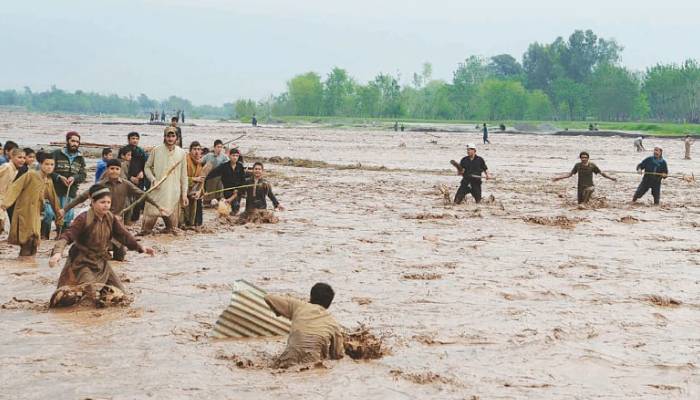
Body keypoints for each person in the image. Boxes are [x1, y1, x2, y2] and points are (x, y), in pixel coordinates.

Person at [48, 184, 156, 308]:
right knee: (90, 294)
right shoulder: (83, 219)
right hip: (82, 262)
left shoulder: (110, 218)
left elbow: (124, 235)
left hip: (101, 261)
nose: (106, 205)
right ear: (93, 202)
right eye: (102, 202)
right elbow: (67, 236)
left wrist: (141, 248)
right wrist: (57, 253)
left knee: (122, 296)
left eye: (108, 202)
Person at [63, 159, 166, 260]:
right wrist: (65, 210)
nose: (114, 171)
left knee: (120, 255)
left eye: (117, 169)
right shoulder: (100, 185)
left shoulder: (126, 184)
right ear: (107, 170)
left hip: (117, 221)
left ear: (120, 170)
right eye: (112, 168)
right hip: (100, 221)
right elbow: (82, 197)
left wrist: (158, 206)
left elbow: (142, 195)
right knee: (98, 249)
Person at [264, 283, 344, 368]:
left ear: (311, 296)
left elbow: (268, 297)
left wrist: (280, 313)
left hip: (288, 359)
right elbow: (337, 355)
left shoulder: (298, 306)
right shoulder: (333, 323)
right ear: (329, 303)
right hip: (313, 363)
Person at [1, 152, 63, 258]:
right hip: (24, 212)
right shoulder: (31, 175)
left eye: (52, 165)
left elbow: (54, 199)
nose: (49, 167)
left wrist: (59, 214)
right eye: (46, 164)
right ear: (40, 164)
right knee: (26, 240)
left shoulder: (48, 181)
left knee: (34, 240)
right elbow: (15, 187)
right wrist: (5, 204)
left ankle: (28, 265)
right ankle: (23, 263)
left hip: (36, 213)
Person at [141, 127, 189, 235]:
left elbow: (184, 175)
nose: (170, 138)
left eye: (173, 136)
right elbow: (147, 167)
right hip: (157, 189)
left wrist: (184, 194)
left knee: (171, 231)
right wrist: (153, 180)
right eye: (168, 136)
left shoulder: (182, 153)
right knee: (146, 229)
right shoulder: (156, 150)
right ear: (164, 137)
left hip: (173, 192)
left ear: (177, 138)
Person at [43, 131, 86, 237]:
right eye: (72, 141)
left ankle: (61, 235)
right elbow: (48, 170)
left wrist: (74, 178)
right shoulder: (57, 153)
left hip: (70, 190)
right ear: (67, 141)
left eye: (77, 142)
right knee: (49, 213)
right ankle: (44, 235)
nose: (75, 144)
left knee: (67, 214)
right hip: (54, 189)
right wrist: (59, 177)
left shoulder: (80, 158)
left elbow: (83, 174)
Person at [552, 151, 617, 204]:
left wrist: (611, 178)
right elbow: (570, 174)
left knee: (589, 192)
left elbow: (601, 173)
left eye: (585, 157)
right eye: (582, 157)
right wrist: (558, 178)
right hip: (580, 187)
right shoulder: (577, 165)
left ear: (588, 158)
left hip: (589, 185)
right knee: (580, 203)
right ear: (580, 158)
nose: (584, 159)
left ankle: (587, 203)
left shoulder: (592, 165)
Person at [205, 148, 246, 214]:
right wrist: (205, 179)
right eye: (233, 155)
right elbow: (213, 173)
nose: (235, 157)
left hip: (237, 191)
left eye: (237, 156)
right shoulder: (224, 166)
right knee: (226, 209)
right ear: (229, 156)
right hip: (227, 191)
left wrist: (239, 189)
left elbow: (243, 180)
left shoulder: (240, 166)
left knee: (236, 207)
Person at [122, 132, 149, 222]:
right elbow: (120, 166)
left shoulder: (141, 151)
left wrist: (142, 173)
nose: (135, 140)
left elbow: (146, 165)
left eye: (137, 139)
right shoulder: (124, 150)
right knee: (126, 200)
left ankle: (134, 220)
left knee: (138, 199)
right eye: (133, 138)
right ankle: (126, 219)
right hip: (127, 178)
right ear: (128, 139)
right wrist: (130, 178)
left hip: (139, 179)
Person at [0, 148, 26, 231]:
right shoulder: (7, 167)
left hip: (4, 199)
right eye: (19, 157)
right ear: (12, 157)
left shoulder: (15, 170)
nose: (22, 160)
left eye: (24, 158)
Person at [202, 139, 230, 204]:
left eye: (221, 147)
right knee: (208, 197)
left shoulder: (224, 156)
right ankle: (208, 200)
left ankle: (218, 199)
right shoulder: (209, 155)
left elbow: (229, 164)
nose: (219, 149)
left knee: (219, 195)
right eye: (218, 147)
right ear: (214, 147)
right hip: (209, 177)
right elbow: (201, 161)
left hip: (219, 177)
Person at [184, 141, 204, 227]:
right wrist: (194, 179)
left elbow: (202, 180)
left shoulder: (200, 163)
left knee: (198, 223)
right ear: (190, 151)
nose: (196, 152)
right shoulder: (185, 160)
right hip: (184, 191)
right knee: (183, 222)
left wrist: (199, 191)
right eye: (194, 149)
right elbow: (180, 178)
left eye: (198, 149)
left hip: (195, 192)